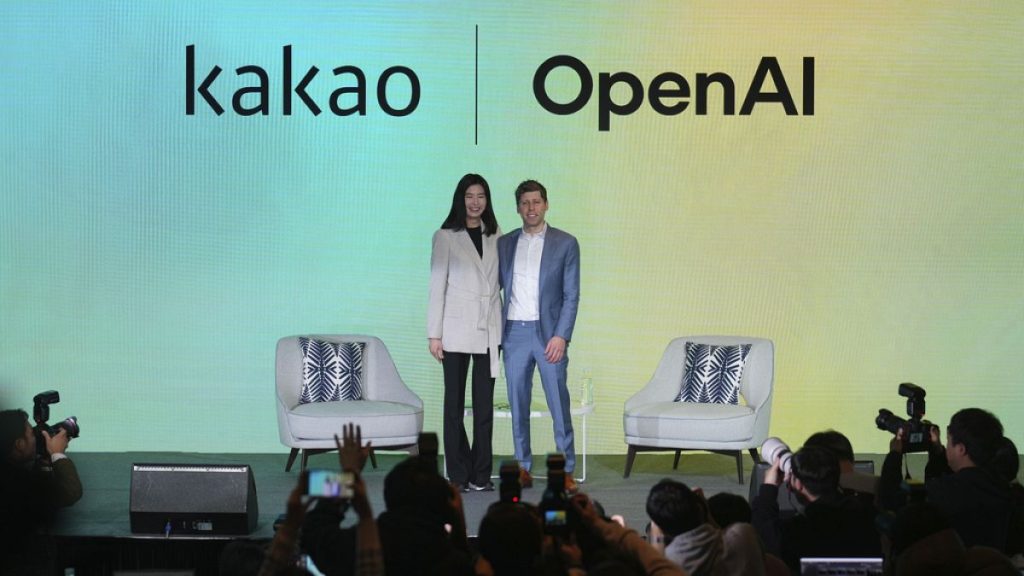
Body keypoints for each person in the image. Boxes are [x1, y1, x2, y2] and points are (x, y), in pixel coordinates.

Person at [498, 179, 580, 492]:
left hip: (549, 336)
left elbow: (571, 295)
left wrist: (561, 336)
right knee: (517, 404)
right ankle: (523, 467)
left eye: (536, 202)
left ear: (546, 204)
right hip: (514, 333)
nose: (531, 208)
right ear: (518, 208)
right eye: (525, 203)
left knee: (558, 403)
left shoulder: (566, 243)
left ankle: (566, 470)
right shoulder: (505, 243)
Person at [427, 173, 502, 492]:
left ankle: (481, 474)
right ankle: (458, 474)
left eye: (481, 196)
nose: (475, 202)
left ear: (487, 200)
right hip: (455, 329)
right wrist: (434, 334)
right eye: (470, 196)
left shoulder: (497, 235)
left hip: (489, 329)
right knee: (454, 405)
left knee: (484, 407)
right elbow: (436, 287)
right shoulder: (445, 236)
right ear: (461, 199)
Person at [879, 408, 1013, 551]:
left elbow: (891, 500)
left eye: (948, 441)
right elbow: (964, 480)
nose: (947, 446)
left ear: (961, 449)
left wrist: (894, 454)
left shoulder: (943, 492)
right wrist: (937, 452)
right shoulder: (1006, 491)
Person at [752, 445, 882, 573]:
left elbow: (763, 532)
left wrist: (769, 488)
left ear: (798, 484)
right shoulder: (869, 516)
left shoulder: (798, 532)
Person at [0, 408, 83, 574]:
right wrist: (57, 454)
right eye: (32, 434)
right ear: (19, 445)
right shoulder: (19, 484)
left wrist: (45, 460)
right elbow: (71, 491)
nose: (36, 438)